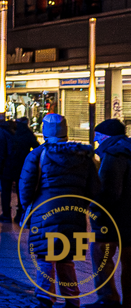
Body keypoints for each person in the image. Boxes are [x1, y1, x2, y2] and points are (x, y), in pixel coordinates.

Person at [19, 113, 100, 308]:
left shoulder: (38, 154)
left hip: (44, 214)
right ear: (66, 131)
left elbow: (26, 187)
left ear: (45, 132)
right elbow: (94, 188)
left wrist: (27, 207)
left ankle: (46, 300)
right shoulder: (84, 155)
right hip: (76, 215)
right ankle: (73, 301)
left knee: (46, 257)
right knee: (67, 258)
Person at [89, 118, 131, 308]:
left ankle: (108, 298)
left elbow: (109, 190)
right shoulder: (127, 149)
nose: (96, 141)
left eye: (97, 137)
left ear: (106, 136)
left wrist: (93, 207)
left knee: (101, 255)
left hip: (113, 220)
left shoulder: (114, 154)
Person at [0, 117, 39, 224]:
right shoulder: (28, 134)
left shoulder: (10, 132)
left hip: (8, 165)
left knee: (6, 191)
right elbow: (37, 147)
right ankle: (20, 214)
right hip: (21, 165)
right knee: (20, 190)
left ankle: (6, 214)